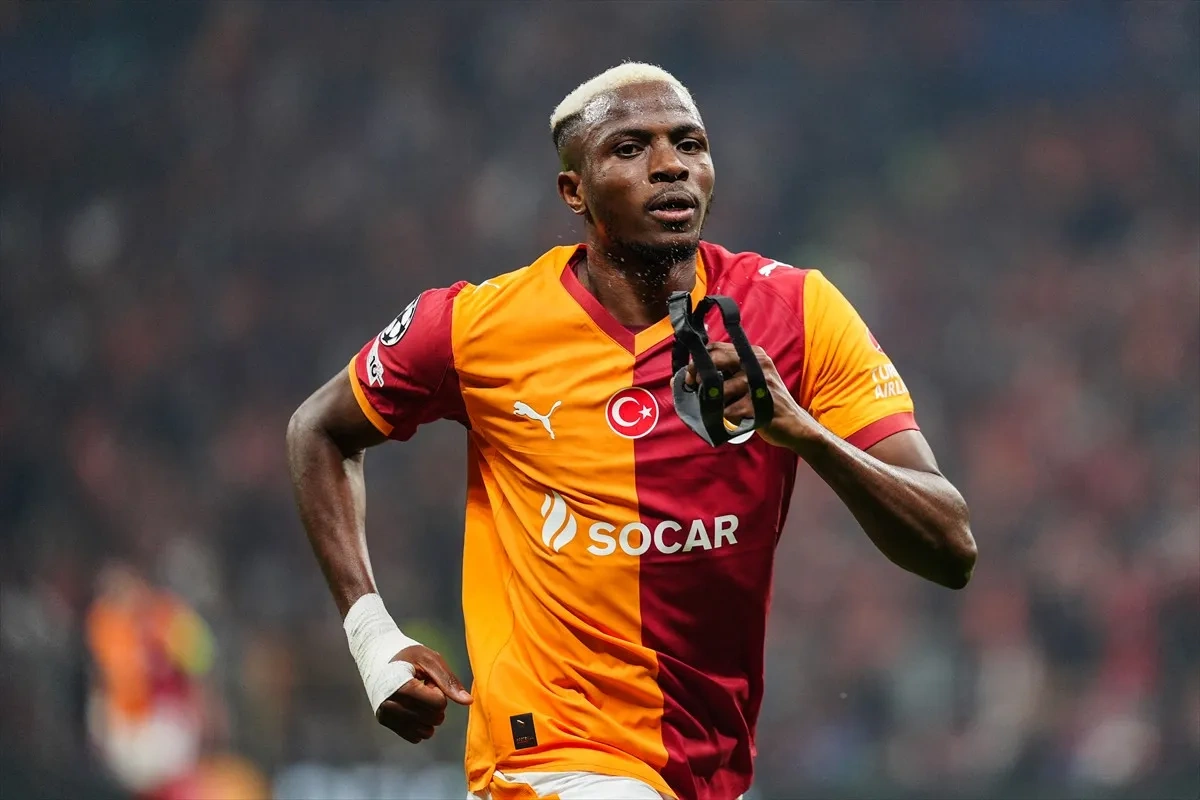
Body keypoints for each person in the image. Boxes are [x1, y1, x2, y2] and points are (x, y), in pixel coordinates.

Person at [286, 62, 976, 800]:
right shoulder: (474, 327)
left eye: (689, 143)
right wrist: (374, 639)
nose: (670, 165)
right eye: (629, 148)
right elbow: (318, 430)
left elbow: (951, 547)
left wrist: (803, 432)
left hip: (707, 767)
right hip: (549, 758)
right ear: (574, 191)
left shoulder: (798, 312)